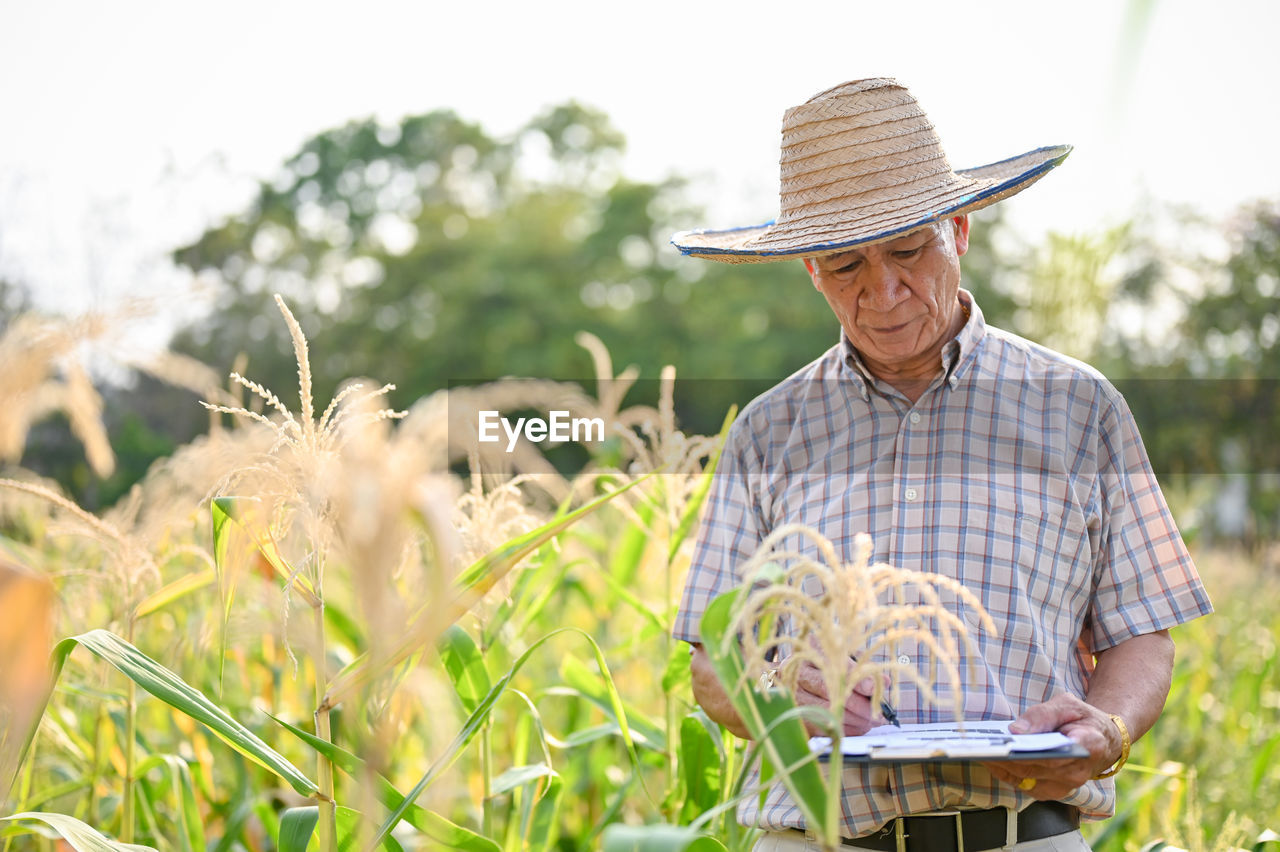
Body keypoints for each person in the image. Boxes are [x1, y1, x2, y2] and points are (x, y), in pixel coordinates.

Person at [669, 78, 1213, 852]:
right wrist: (773, 696)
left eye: (907, 250)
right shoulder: (768, 432)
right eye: (845, 264)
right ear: (810, 272)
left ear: (959, 230)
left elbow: (1144, 634)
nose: (883, 291)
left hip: (1028, 835)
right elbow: (712, 665)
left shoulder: (1079, 407)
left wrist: (1109, 728)